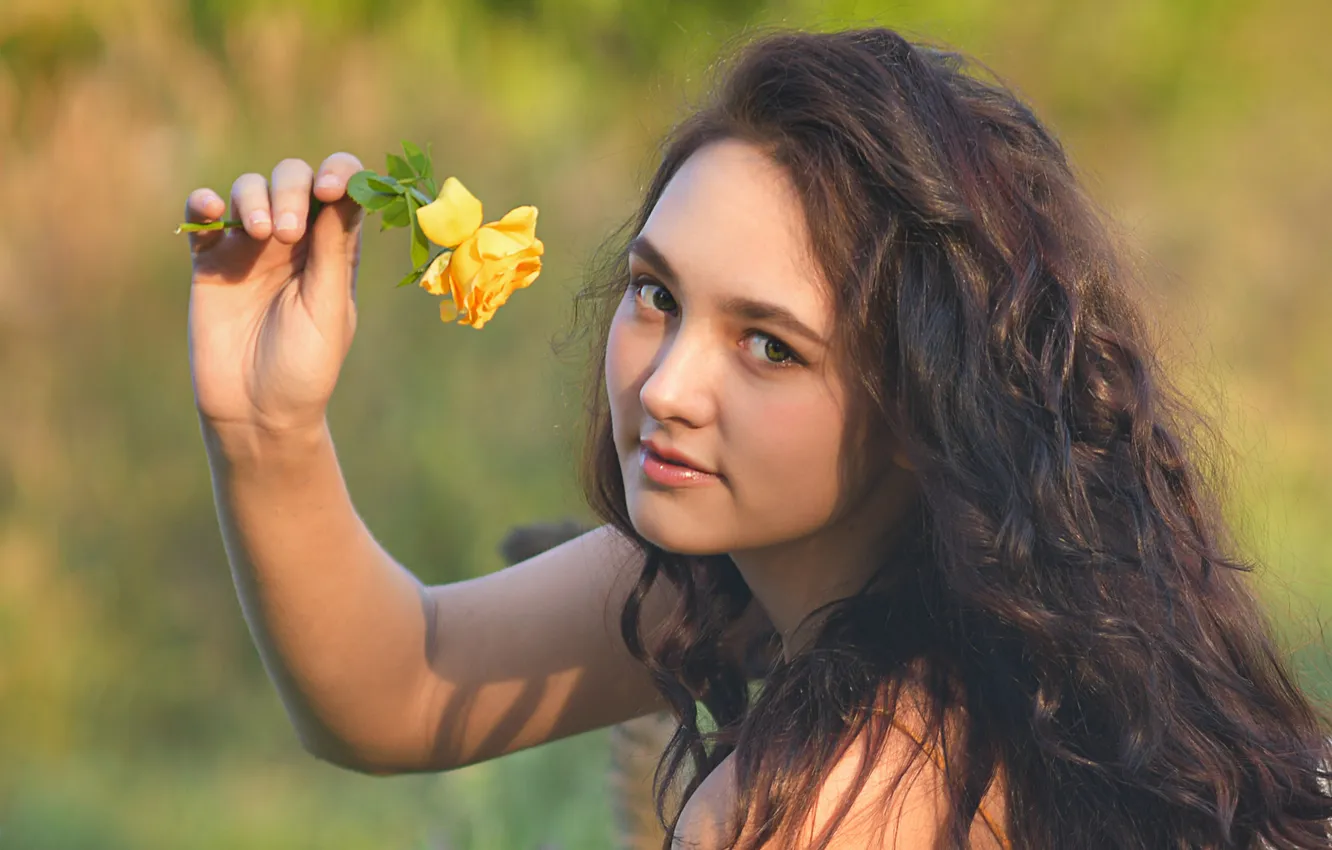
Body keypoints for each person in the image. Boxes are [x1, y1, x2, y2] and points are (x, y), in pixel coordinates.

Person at [182, 26, 1332, 850]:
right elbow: (397, 687)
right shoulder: (811, 585)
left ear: (923, 404)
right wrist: (267, 427)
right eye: (656, 295)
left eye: (772, 346)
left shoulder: (840, 798)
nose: (669, 385)